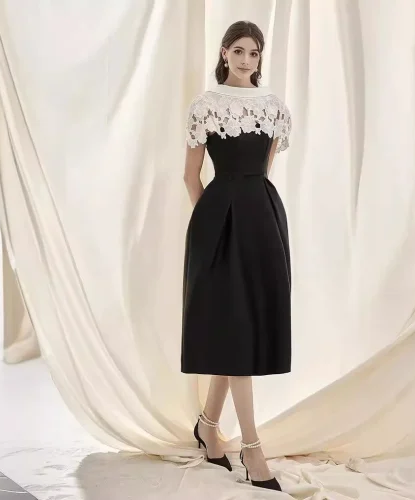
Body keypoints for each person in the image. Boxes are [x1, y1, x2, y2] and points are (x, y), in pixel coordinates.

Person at [181, 20, 292, 492]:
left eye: (255, 52)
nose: (247, 60)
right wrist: (211, 226)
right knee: (235, 329)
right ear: (224, 53)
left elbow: (264, 171)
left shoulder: (274, 108)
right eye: (239, 51)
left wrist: (250, 218)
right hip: (218, 226)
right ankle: (251, 447)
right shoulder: (204, 106)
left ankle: (208, 426)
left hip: (263, 222)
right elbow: (191, 176)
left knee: (241, 329)